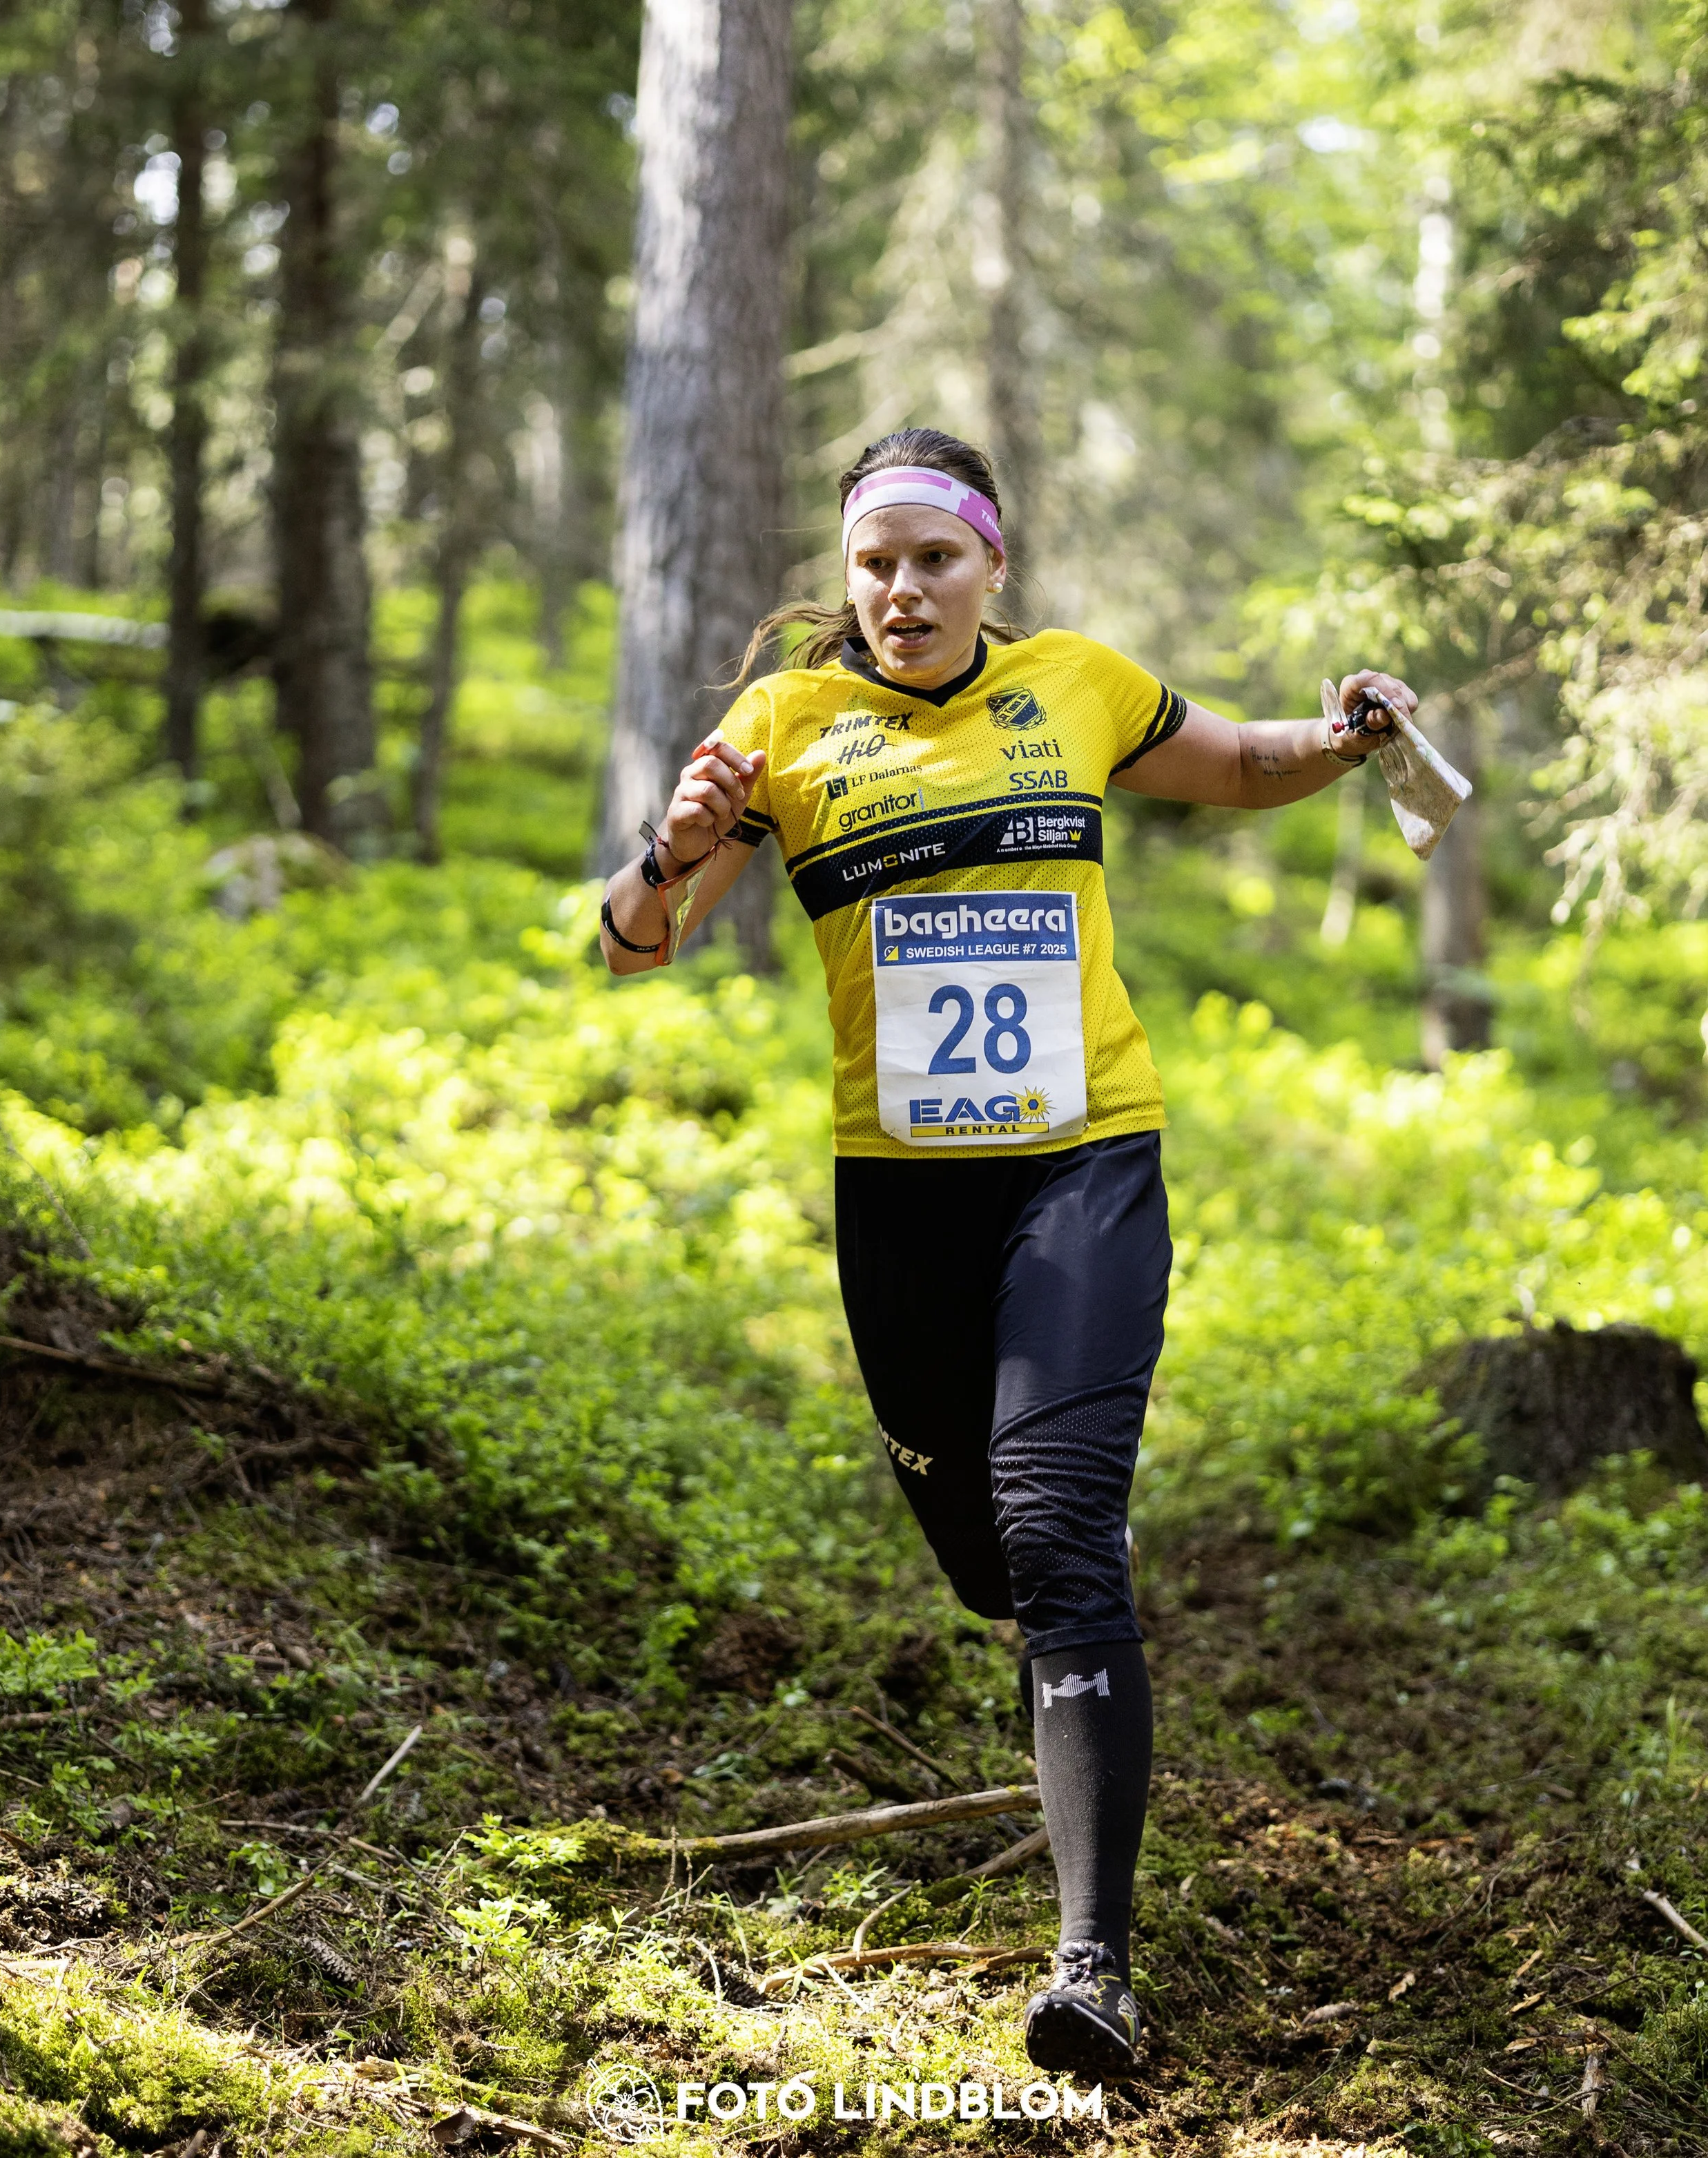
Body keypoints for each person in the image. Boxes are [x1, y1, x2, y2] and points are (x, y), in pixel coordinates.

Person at [599, 427, 1413, 2083]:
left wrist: (1342, 732)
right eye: (873, 564)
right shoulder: (783, 727)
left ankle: (1091, 1963)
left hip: (1082, 1167)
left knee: (1053, 1539)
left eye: (932, 559)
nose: (901, 590)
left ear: (991, 566)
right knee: (986, 1564)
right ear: (848, 582)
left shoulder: (1078, 688)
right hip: (898, 1199)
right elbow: (632, 952)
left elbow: (1241, 763)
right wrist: (672, 849)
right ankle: (1053, 1576)